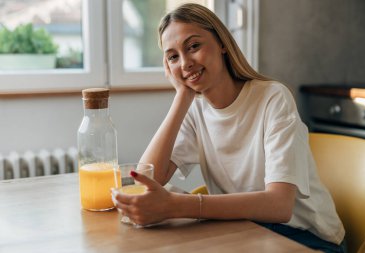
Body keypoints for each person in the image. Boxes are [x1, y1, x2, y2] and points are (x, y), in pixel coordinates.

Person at [113, 3, 346, 253]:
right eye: (173, 57)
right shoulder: (195, 110)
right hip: (246, 230)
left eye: (193, 46)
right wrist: (181, 97)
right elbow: (146, 181)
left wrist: (177, 205)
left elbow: (279, 206)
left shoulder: (273, 98)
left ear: (222, 43)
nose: (185, 63)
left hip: (307, 238)